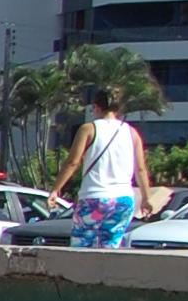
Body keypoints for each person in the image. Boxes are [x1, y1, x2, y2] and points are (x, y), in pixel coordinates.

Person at [54, 85, 151, 248]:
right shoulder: (132, 132)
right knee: (111, 245)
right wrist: (147, 198)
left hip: (94, 197)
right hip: (123, 199)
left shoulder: (89, 129)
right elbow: (140, 169)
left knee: (81, 245)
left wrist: (56, 189)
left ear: (96, 107)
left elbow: (72, 162)